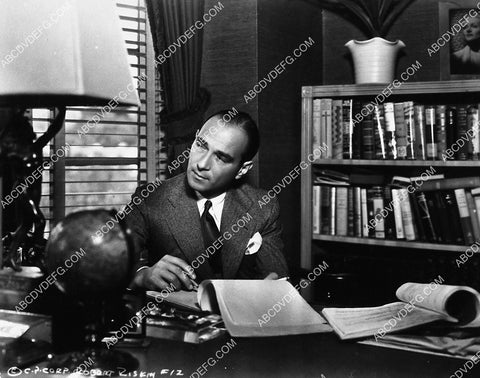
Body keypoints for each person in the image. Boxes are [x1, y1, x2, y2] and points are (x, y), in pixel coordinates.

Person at [126, 110, 288, 291]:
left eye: (221, 157)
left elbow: (276, 281)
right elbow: (104, 265)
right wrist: (142, 275)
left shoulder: (263, 207)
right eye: (201, 145)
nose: (201, 164)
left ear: (242, 170)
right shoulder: (150, 199)